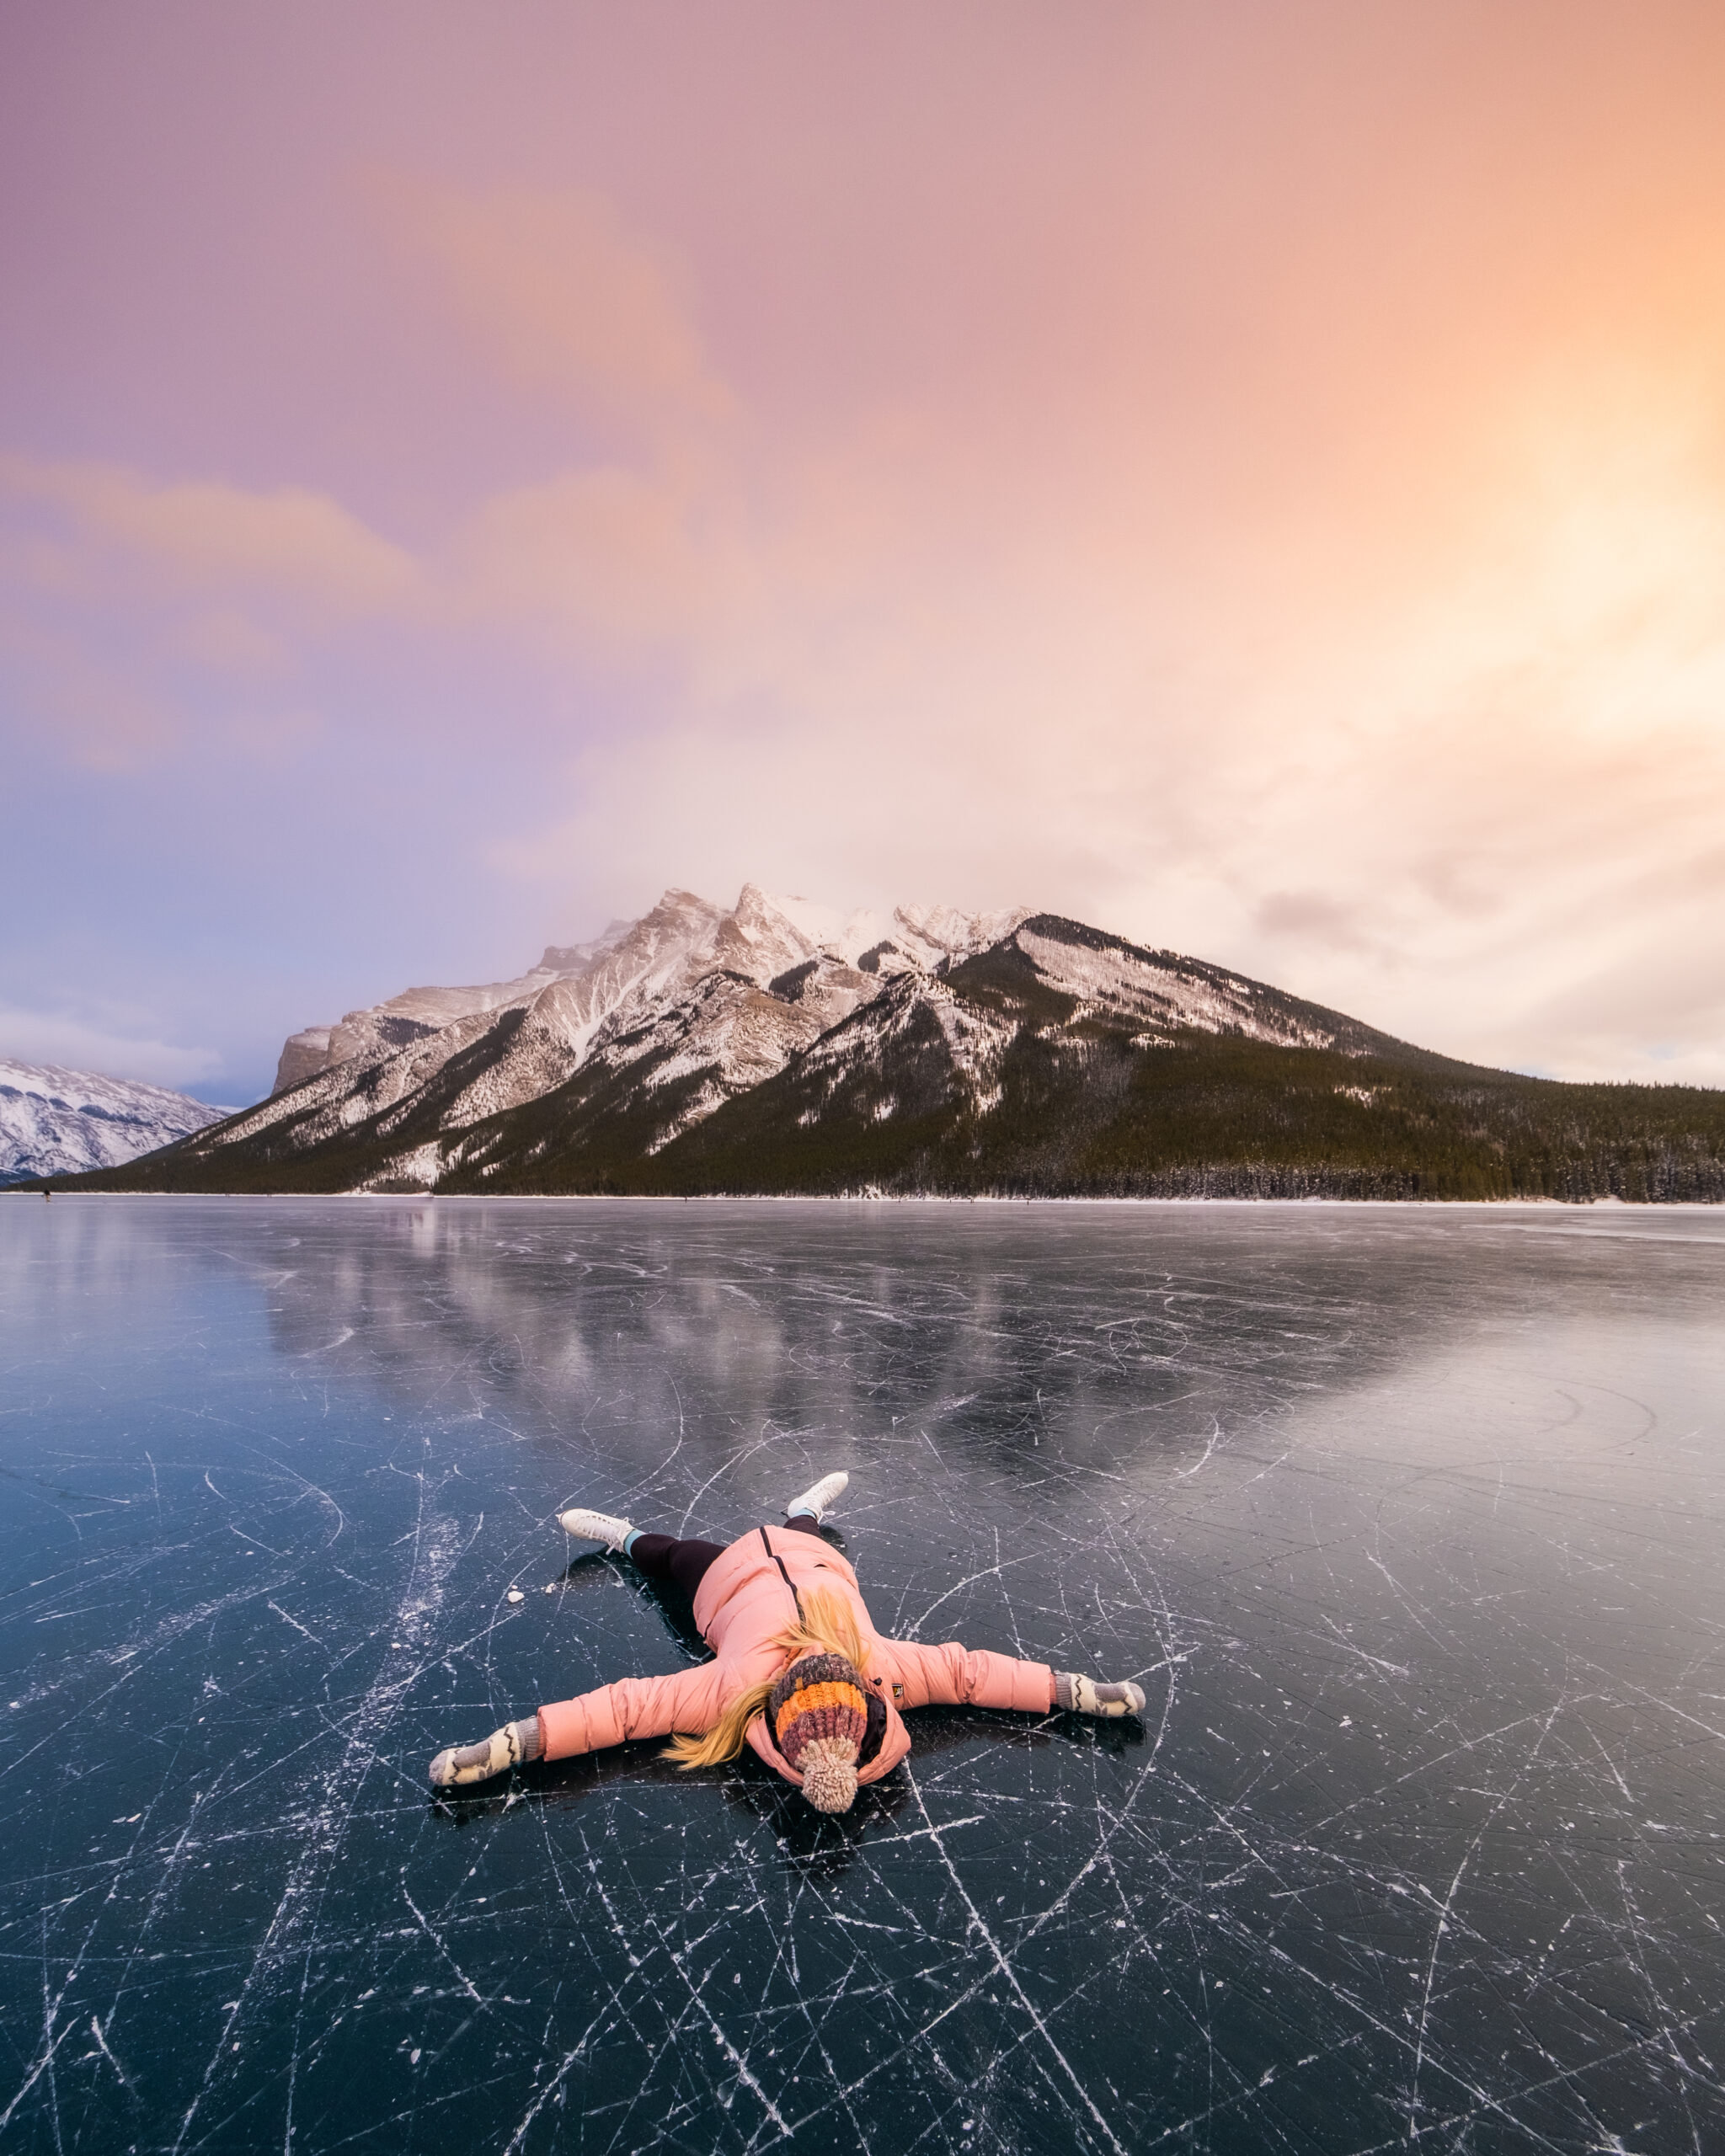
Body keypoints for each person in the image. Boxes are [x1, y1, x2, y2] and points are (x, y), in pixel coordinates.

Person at [429, 1473, 1145, 1813]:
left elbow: (618, 1712)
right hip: (812, 1560)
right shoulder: (887, 1673)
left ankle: (621, 1535)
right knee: (803, 1529)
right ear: (865, 1695)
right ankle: (804, 1508)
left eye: (804, 1681)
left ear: (775, 1710)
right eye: (834, 1674)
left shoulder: (729, 1694)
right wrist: (1074, 1690)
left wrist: (512, 1744)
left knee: (670, 1553)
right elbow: (971, 1676)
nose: (815, 1662)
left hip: (725, 1581)